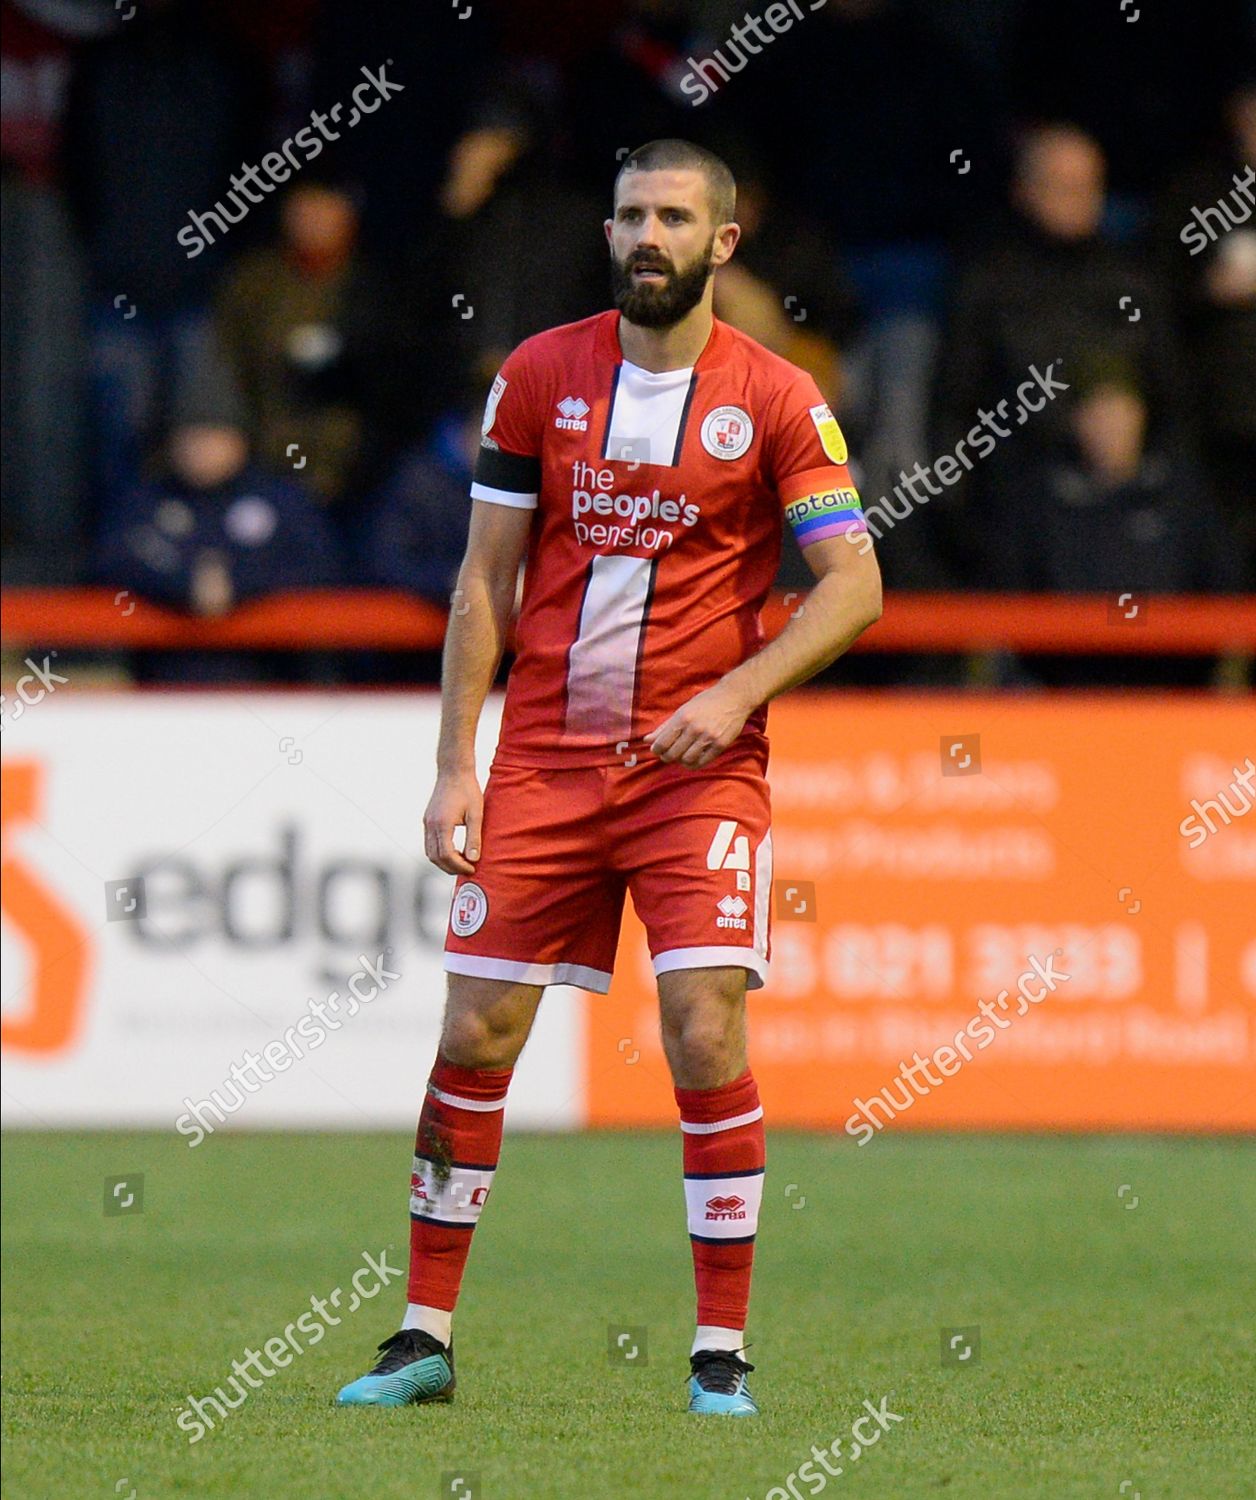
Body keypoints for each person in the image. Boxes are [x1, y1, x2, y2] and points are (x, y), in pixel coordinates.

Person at [334, 139, 882, 1418]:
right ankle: (420, 1339)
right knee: (476, 1029)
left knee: (700, 1028)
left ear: (721, 244)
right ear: (608, 230)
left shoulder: (782, 399)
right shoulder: (537, 375)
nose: (648, 235)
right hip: (543, 760)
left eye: (673, 217)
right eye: (631, 213)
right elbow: (482, 581)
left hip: (698, 773)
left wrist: (734, 693)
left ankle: (719, 1356)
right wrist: (450, 766)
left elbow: (853, 586)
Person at [93, 420, 343, 682]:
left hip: (270, 685)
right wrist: (183, 585)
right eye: (190, 436)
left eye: (213, 436)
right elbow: (108, 564)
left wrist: (237, 584)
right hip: (163, 688)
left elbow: (324, 568)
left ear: (239, 439)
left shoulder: (282, 500)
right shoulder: (143, 502)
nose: (201, 448)